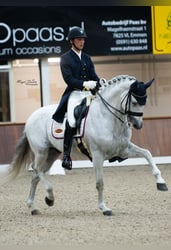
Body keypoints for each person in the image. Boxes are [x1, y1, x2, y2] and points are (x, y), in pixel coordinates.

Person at [52, 26, 101, 170]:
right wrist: (85, 83)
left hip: (89, 94)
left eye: (83, 40)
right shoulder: (65, 59)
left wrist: (99, 82)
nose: (82, 42)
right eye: (79, 39)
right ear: (72, 41)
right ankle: (66, 156)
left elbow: (94, 75)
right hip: (75, 93)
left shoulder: (87, 57)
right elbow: (69, 80)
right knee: (72, 121)